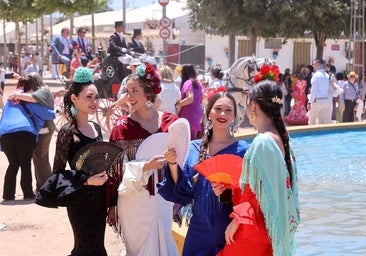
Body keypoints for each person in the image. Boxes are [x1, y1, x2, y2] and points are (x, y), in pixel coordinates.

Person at [158, 90, 249, 255]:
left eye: (228, 110)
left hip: (228, 229)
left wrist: (225, 193)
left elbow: (249, 194)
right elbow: (184, 190)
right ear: (208, 112)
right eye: (218, 108)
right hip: (197, 228)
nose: (222, 113)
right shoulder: (193, 147)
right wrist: (172, 163)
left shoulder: (243, 150)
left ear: (235, 116)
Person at [216, 79, 300, 256]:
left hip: (254, 227)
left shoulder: (262, 142)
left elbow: (253, 192)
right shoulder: (283, 140)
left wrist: (236, 220)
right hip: (273, 228)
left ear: (253, 105)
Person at [36, 67, 111, 255]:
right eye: (89, 97)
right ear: (75, 99)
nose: (94, 101)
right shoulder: (67, 132)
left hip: (99, 198)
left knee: (98, 247)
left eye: (96, 97)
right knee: (85, 248)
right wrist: (86, 180)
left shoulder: (96, 127)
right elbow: (57, 175)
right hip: (80, 199)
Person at [108, 63, 179, 256]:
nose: (129, 96)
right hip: (132, 201)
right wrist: (145, 166)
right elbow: (114, 172)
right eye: (127, 91)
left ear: (148, 93)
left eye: (134, 91)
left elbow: (181, 164)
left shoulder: (170, 122)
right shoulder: (121, 127)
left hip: (162, 201)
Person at [0, 78, 55, 201]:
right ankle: (28, 194)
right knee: (25, 164)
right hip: (24, 134)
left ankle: (8, 195)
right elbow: (49, 114)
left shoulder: (9, 101)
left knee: (13, 164)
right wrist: (55, 111)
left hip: (5, 135)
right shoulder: (28, 101)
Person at [176, 64, 205, 140]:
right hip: (197, 114)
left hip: (188, 115)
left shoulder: (188, 83)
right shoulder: (198, 83)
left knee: (186, 141)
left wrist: (178, 104)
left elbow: (190, 98)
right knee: (193, 140)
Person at [307, 59, 332, 124]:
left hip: (317, 101)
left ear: (317, 64)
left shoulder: (316, 75)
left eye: (314, 64)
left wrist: (310, 102)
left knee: (312, 122)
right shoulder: (326, 75)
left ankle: (312, 134)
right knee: (322, 123)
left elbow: (314, 90)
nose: (313, 66)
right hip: (325, 100)